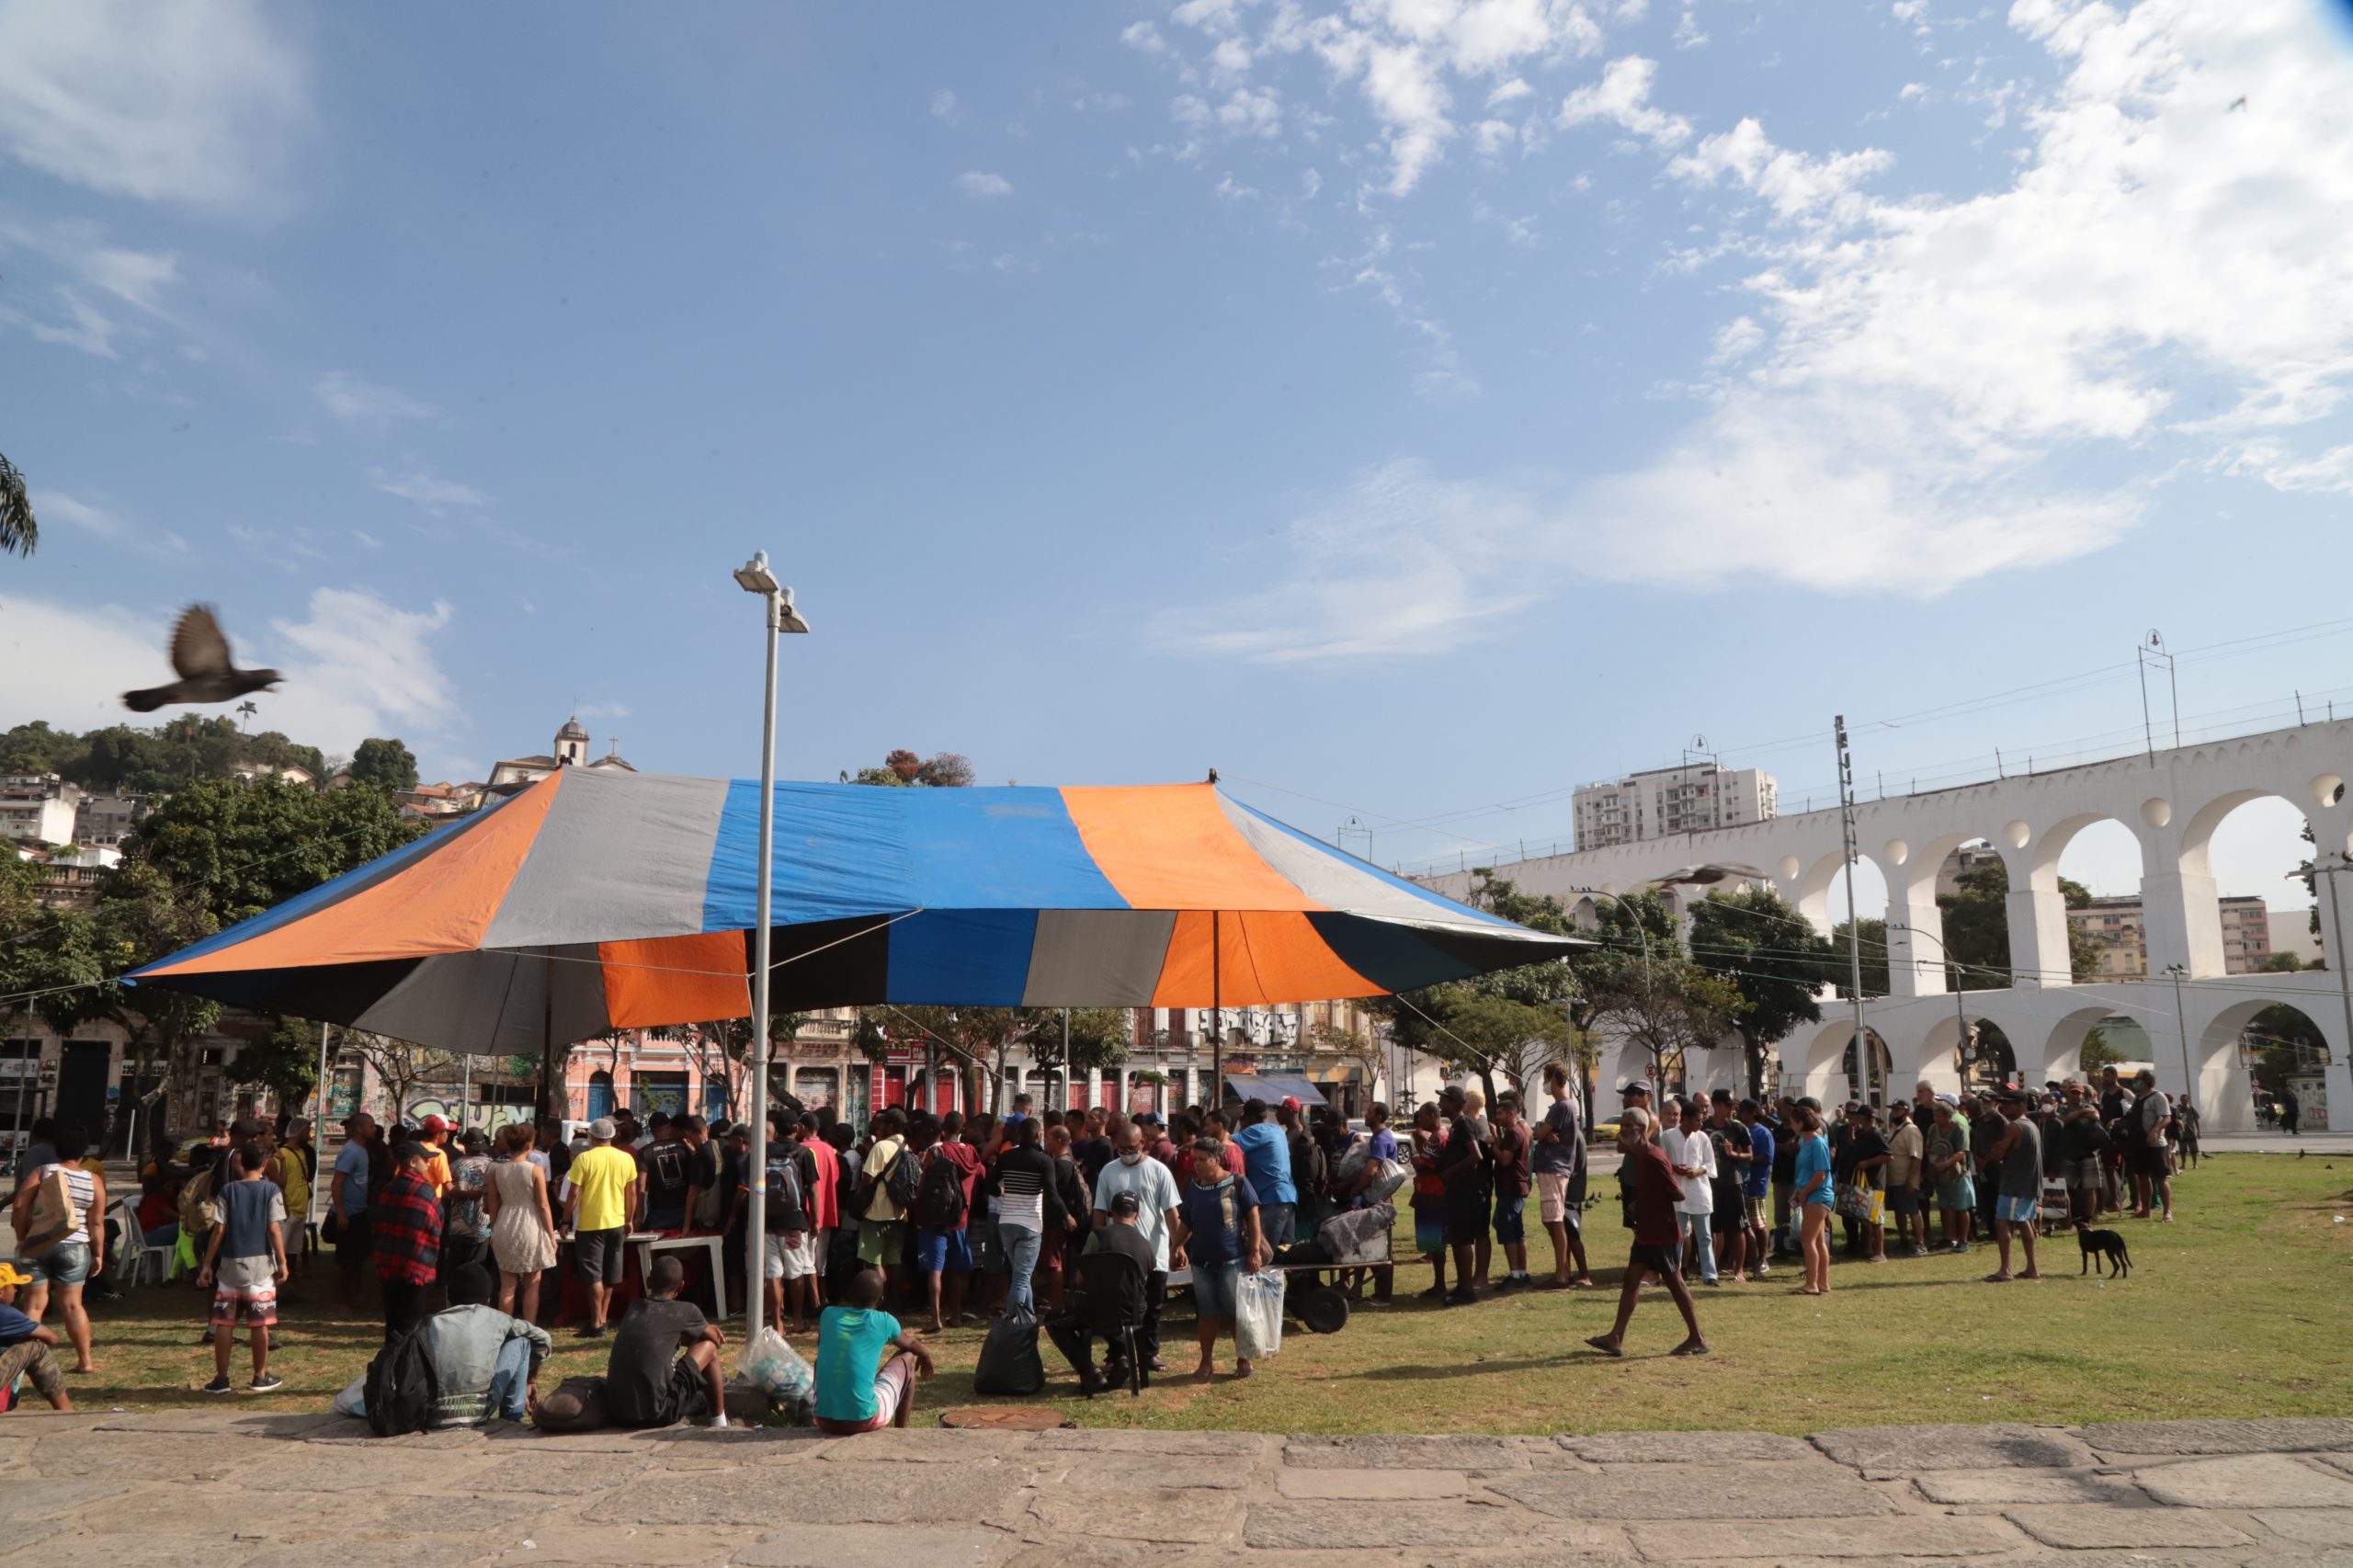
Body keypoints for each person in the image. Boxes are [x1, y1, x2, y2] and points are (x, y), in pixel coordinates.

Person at [1585, 1108, 1707, 1358]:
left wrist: (1647, 1202)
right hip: (1648, 1231)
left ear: (1641, 1130)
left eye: (1629, 1126)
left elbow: (1678, 1193)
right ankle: (1615, 1338)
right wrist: (1640, 1203)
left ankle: (1697, 1337)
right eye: (1623, 1125)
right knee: (1631, 1280)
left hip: (1661, 1232)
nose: (1624, 1130)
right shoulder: (1640, 1156)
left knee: (1675, 1283)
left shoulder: (1653, 1157)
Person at [8, 1122, 103, 1375]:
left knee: (34, 1304)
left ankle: (23, 1365)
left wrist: (21, 1237)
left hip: (38, 1243)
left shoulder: (42, 1172)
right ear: (83, 1153)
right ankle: (85, 1361)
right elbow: (96, 1222)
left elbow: (19, 1205)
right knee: (73, 1305)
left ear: (56, 1150)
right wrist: (98, 1253)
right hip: (75, 1245)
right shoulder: (93, 1179)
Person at [1169, 1139, 1266, 1382]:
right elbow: (1187, 1221)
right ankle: (1206, 1361)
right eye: (1195, 1159)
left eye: (1202, 1159)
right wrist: (1176, 1246)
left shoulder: (1237, 1184)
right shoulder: (1195, 1188)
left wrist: (1254, 1251)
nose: (1197, 1164)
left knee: (1236, 1314)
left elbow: (1253, 1216)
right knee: (1207, 1314)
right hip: (1202, 1264)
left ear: (1216, 1159)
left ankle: (1244, 1359)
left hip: (1231, 1262)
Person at [196, 1141, 289, 1393]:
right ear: (265, 1164)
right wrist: (282, 1261)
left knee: (225, 1322)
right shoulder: (270, 1190)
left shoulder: (228, 1190)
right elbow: (274, 1228)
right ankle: (260, 1375)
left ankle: (221, 1378)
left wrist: (207, 1264)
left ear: (239, 1163)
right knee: (260, 1323)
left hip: (229, 1263)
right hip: (260, 1266)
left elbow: (219, 1230)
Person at [1090, 1119, 1180, 1374]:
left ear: (1143, 1143)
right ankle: (1118, 1354)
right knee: (1116, 1307)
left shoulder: (1159, 1171)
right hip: (1117, 1252)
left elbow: (1171, 1213)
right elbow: (1099, 1211)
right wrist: (1097, 1245)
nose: (1127, 1154)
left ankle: (1149, 1353)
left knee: (1152, 1306)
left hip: (1153, 1251)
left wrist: (1178, 1247)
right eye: (1122, 1149)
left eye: (1132, 1148)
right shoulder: (1109, 1171)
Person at [1047, 1189, 1159, 1393]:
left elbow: (1079, 1278)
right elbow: (1148, 1281)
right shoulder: (1146, 1244)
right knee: (1116, 1310)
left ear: (1111, 1213)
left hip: (1095, 1312)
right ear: (1138, 1214)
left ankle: (1090, 1371)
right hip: (1133, 1314)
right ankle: (1122, 1358)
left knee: (1054, 1321)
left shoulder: (1098, 1235)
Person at [417, 1261, 551, 1426]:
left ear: (449, 1298)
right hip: (479, 1409)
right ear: (488, 1298)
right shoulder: (496, 1318)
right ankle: (512, 1417)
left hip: (434, 1411)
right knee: (521, 1342)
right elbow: (543, 1339)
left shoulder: (430, 1324)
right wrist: (531, 1379)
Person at [606, 1254, 729, 1427]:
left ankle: (701, 1406)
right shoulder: (685, 1311)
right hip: (657, 1413)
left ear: (648, 1282)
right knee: (708, 1348)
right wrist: (705, 1330)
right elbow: (714, 1339)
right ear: (681, 1286)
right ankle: (720, 1421)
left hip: (616, 1411)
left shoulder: (634, 1308)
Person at [814, 1267, 934, 1434]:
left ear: (849, 1294)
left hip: (823, 1419)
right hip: (862, 1420)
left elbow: (822, 1356)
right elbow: (911, 1344)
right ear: (881, 1300)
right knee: (908, 1358)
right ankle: (901, 1433)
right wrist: (926, 1354)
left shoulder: (827, 1315)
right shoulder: (884, 1321)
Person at [739, 1118, 819, 1335]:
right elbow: (812, 1189)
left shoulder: (752, 1158)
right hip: (794, 1221)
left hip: (765, 1223)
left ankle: (777, 1324)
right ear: (773, 1134)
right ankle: (799, 1321)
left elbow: (751, 1190)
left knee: (772, 1274)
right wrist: (816, 1220)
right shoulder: (801, 1154)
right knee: (795, 1273)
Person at [563, 1117, 641, 1338]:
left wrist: (565, 1220)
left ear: (592, 1137)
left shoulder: (584, 1159)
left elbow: (574, 1193)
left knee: (593, 1276)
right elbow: (632, 1193)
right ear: (612, 1136)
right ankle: (602, 1318)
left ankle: (596, 1322)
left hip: (590, 1224)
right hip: (616, 1222)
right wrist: (629, 1219)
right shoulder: (626, 1159)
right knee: (609, 1275)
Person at [989, 1115, 1069, 1317]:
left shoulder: (1006, 1157)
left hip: (1006, 1221)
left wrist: (1001, 1192)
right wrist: (1066, 1215)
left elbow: (989, 1184)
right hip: (1030, 1225)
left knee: (1020, 1274)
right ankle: (1013, 1321)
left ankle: (1028, 1316)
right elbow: (1051, 1193)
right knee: (1022, 1277)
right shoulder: (1044, 1161)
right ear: (1037, 1135)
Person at [483, 1121, 560, 1324]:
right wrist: (551, 1235)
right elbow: (543, 1206)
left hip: (504, 1224)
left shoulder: (496, 1171)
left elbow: (492, 1206)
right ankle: (529, 1328)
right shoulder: (535, 1170)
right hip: (530, 1225)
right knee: (532, 1283)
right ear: (529, 1145)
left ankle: (504, 1329)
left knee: (507, 1286)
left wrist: (495, 1228)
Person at [372, 1142, 443, 1342]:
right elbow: (437, 1222)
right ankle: (405, 1368)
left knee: (393, 1322)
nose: (429, 1164)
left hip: (388, 1265)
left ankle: (389, 1365)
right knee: (412, 1325)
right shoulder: (424, 1190)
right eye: (425, 1160)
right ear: (413, 1162)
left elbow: (379, 1225)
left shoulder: (388, 1188)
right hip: (417, 1267)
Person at [1531, 1065, 1592, 1290]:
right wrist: (1544, 1132)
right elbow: (1544, 1133)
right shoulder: (1566, 1106)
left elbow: (1538, 1133)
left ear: (1554, 1079)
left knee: (1556, 1223)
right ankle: (1563, 1271)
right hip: (1555, 1169)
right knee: (1552, 1221)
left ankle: (1561, 1276)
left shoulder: (1561, 1106)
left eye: (1546, 1078)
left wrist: (1541, 1131)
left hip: (1555, 1169)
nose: (1545, 1083)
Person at [1434, 1084, 1493, 1305]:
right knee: (1456, 1239)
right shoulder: (1457, 1126)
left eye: (1444, 1100)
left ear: (1456, 1103)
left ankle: (1467, 1290)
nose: (1440, 1104)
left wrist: (1451, 1170)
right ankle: (1461, 1286)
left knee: (1463, 1239)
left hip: (1465, 1191)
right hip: (1455, 1190)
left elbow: (1476, 1155)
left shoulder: (1465, 1123)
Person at [1985, 1088, 2042, 1283]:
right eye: (2003, 1103)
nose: (2004, 1106)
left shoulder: (2014, 1127)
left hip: (2014, 1184)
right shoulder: (2031, 1126)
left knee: (2002, 1222)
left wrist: (1994, 1152)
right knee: (2024, 1221)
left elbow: (1998, 1153)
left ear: (2021, 1105)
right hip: (2029, 1183)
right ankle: (2032, 1268)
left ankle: (2005, 1270)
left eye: (2008, 1103)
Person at [1662, 1098, 1720, 1286]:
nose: (1701, 1124)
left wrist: (1697, 1171)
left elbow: (1710, 1164)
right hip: (1677, 1193)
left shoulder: (1702, 1138)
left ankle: (1710, 1275)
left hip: (1699, 1192)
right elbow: (1661, 1163)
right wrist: (1675, 1168)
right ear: (1685, 1119)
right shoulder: (1668, 1136)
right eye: (1697, 1120)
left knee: (1704, 1236)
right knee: (1676, 1237)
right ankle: (1674, 1274)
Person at [853, 1109, 912, 1291]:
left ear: (890, 1126)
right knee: (893, 1260)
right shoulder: (907, 1148)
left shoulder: (881, 1147)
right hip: (899, 1213)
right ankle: (894, 1301)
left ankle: (878, 1298)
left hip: (876, 1212)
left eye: (882, 1124)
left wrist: (859, 1193)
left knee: (873, 1260)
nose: (879, 1128)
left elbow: (868, 1178)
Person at [0, 1262, 70, 1410]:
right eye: (14, 1286)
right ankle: (66, 1411)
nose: (16, 1290)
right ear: (1, 1291)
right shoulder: (5, 1313)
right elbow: (52, 1337)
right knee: (36, 1348)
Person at [1232, 1099, 1298, 1248]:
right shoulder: (1278, 1131)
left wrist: (1241, 1128)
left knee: (1262, 1252)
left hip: (1272, 1199)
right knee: (1284, 1252)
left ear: (1248, 1118)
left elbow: (1225, 1143)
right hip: (1288, 1196)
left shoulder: (1255, 1130)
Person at [329, 1112, 380, 1303]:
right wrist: (341, 1213)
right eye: (371, 1126)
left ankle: (354, 1293)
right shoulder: (351, 1151)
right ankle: (342, 1298)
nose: (374, 1129)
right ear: (360, 1128)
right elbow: (337, 1183)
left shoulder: (362, 1149)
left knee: (358, 1257)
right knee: (346, 1259)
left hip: (360, 1211)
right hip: (349, 1214)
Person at [1407, 1101, 1450, 1299]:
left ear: (1433, 1115)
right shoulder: (1440, 1135)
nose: (1420, 1120)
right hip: (1433, 1194)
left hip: (1434, 1194)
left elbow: (1423, 1165)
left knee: (1436, 1243)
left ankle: (1440, 1285)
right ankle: (1438, 1284)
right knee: (1435, 1242)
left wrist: (1415, 1155)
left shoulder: (1437, 1137)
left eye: (1423, 1116)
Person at [1791, 1105, 1833, 1295]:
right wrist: (1797, 1191)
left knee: (1807, 1240)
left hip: (1819, 1195)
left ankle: (1812, 1284)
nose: (1791, 1125)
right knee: (1817, 1241)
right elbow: (1805, 1171)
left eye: (1793, 1122)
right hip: (1809, 1193)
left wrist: (1805, 1193)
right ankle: (1822, 1283)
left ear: (1801, 1123)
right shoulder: (1803, 1141)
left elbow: (1821, 1174)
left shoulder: (1817, 1142)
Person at [442, 1130, 494, 1281]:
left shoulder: (455, 1165)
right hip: (483, 1225)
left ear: (466, 1145)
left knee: (456, 1268)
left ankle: (453, 1298)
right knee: (478, 1268)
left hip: (458, 1226)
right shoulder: (491, 1165)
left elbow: (447, 1193)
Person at [266, 1119, 313, 1273]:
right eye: (307, 1132)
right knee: (280, 1254)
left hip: (300, 1210)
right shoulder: (282, 1155)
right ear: (297, 1133)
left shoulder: (301, 1152)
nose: (309, 1136)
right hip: (287, 1211)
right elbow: (278, 1184)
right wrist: (285, 1208)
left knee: (293, 1252)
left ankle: (289, 1285)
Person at [2128, 1070, 2175, 1221]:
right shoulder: (2138, 1098)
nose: (2135, 1082)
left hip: (2156, 1143)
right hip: (2139, 1143)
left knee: (2161, 1177)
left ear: (2147, 1080)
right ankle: (2146, 1210)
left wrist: (2156, 1130)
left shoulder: (2158, 1096)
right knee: (2142, 1176)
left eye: (2138, 1079)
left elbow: (2167, 1118)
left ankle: (2167, 1212)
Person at [1737, 1100, 1774, 1278]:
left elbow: (1767, 1158)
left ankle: (1762, 1259)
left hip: (1756, 1184)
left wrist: (1744, 1158)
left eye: (1742, 1111)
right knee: (1746, 1224)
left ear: (1752, 1112)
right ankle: (1749, 1259)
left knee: (1758, 1225)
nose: (1739, 1114)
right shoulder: (1741, 1130)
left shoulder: (1763, 1133)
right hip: (1741, 1184)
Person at [1883, 1103, 1926, 1257]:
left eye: (1898, 1110)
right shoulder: (1895, 1127)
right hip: (1893, 1179)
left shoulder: (1911, 1130)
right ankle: (1904, 1240)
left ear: (1906, 1111)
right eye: (1893, 1110)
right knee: (1899, 1211)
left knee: (1913, 1211)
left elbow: (1916, 1157)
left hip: (1905, 1178)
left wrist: (1911, 1179)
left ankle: (1920, 1243)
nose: (1894, 1112)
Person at [638, 1113, 691, 1232]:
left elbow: (641, 1185)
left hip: (658, 1211)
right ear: (669, 1127)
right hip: (684, 1208)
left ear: (651, 1130)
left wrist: (638, 1216)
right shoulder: (684, 1146)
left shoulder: (644, 1152)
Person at [415, 1115, 455, 1198]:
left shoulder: (413, 1148)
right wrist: (472, 1193)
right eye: (447, 1131)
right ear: (438, 1134)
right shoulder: (439, 1154)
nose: (448, 1134)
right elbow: (448, 1187)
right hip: (430, 1204)